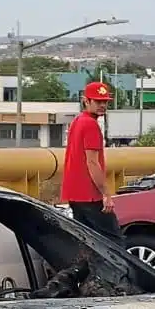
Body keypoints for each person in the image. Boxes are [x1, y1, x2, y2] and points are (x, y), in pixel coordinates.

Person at [62, 80, 121, 240]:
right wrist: (106, 194)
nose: (102, 105)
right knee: (113, 240)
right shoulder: (90, 125)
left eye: (105, 102)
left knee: (86, 241)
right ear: (86, 101)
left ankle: (82, 265)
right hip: (90, 195)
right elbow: (92, 162)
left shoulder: (78, 121)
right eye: (98, 101)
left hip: (74, 194)